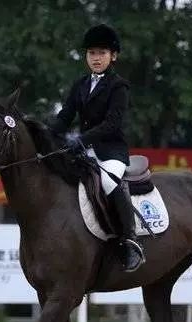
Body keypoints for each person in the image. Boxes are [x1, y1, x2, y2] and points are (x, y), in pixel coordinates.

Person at [49, 23, 145, 272]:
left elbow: (112, 124)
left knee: (109, 181)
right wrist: (46, 135)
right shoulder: (80, 84)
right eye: (92, 53)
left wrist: (81, 139)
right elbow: (65, 116)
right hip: (83, 150)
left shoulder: (118, 86)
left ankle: (129, 239)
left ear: (113, 56)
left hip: (110, 151)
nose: (96, 58)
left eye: (102, 53)